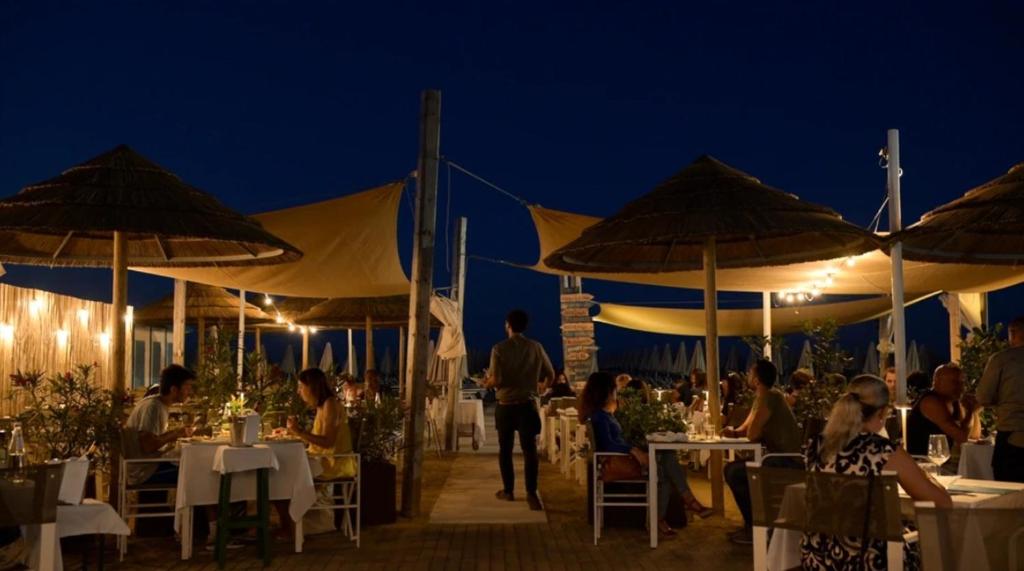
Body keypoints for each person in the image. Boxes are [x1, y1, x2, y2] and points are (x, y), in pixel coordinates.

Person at [801, 375, 952, 569]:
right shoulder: (882, 450)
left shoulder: (816, 446)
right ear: (882, 412)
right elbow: (942, 502)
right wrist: (927, 475)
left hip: (818, 559)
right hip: (868, 561)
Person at [580, 372, 712, 538]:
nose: (617, 392)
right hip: (618, 463)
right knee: (666, 459)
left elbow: (615, 442)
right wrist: (634, 450)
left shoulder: (603, 414)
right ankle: (687, 502)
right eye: (614, 389)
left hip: (620, 458)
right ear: (606, 391)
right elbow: (608, 445)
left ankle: (668, 514)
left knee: (665, 467)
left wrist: (639, 446)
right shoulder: (600, 417)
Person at [721, 359, 802, 545]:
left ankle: (754, 528)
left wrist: (740, 432)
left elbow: (752, 434)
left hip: (787, 461)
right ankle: (752, 526)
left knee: (735, 472)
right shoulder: (762, 397)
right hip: (776, 458)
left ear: (757, 380)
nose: (748, 376)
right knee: (734, 470)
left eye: (751, 373)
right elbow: (745, 429)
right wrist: (733, 432)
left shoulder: (770, 397)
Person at [484, 309, 554, 510]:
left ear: (508, 325)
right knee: (529, 451)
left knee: (505, 450)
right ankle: (532, 494)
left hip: (506, 406)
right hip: (527, 405)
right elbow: (550, 374)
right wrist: (543, 387)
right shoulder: (536, 347)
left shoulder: (499, 348)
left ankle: (508, 491)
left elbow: (497, 379)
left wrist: (486, 382)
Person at [283, 368, 356, 536]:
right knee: (284, 471)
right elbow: (319, 441)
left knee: (285, 474)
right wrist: (295, 433)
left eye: (301, 387)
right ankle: (291, 523)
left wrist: (299, 432)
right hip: (324, 459)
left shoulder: (330, 405)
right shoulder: (322, 406)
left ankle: (293, 525)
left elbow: (328, 442)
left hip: (335, 463)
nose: (299, 391)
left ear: (312, 387)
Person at [124, 364, 196, 485]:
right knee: (193, 471)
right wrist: (175, 434)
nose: (190, 392)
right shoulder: (153, 407)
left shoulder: (158, 404)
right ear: (174, 390)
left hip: (149, 465)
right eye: (187, 387)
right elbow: (147, 445)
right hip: (144, 471)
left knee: (189, 464)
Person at [978, 315, 1024, 482]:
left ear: (1013, 333)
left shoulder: (1002, 359)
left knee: (1009, 491)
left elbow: (983, 397)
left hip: (1012, 436)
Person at [906, 363, 976, 459]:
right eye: (955, 382)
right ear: (937, 382)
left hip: (940, 459)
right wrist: (971, 411)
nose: (961, 387)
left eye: (962, 383)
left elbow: (972, 435)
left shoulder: (953, 401)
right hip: (921, 460)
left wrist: (974, 411)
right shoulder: (931, 402)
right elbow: (961, 437)